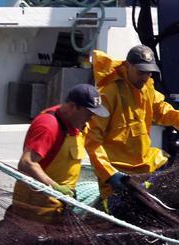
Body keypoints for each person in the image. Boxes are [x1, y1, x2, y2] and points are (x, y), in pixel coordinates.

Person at [85, 45, 179, 205]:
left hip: (147, 166)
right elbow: (92, 141)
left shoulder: (147, 89)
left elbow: (163, 112)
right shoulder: (109, 94)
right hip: (119, 176)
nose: (144, 77)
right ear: (127, 66)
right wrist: (109, 174)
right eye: (140, 72)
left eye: (148, 72)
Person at [8, 84, 108, 223]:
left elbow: (95, 146)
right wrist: (55, 187)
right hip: (36, 210)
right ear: (73, 107)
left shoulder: (78, 125)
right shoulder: (49, 125)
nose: (91, 118)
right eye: (89, 113)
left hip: (59, 208)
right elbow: (27, 162)